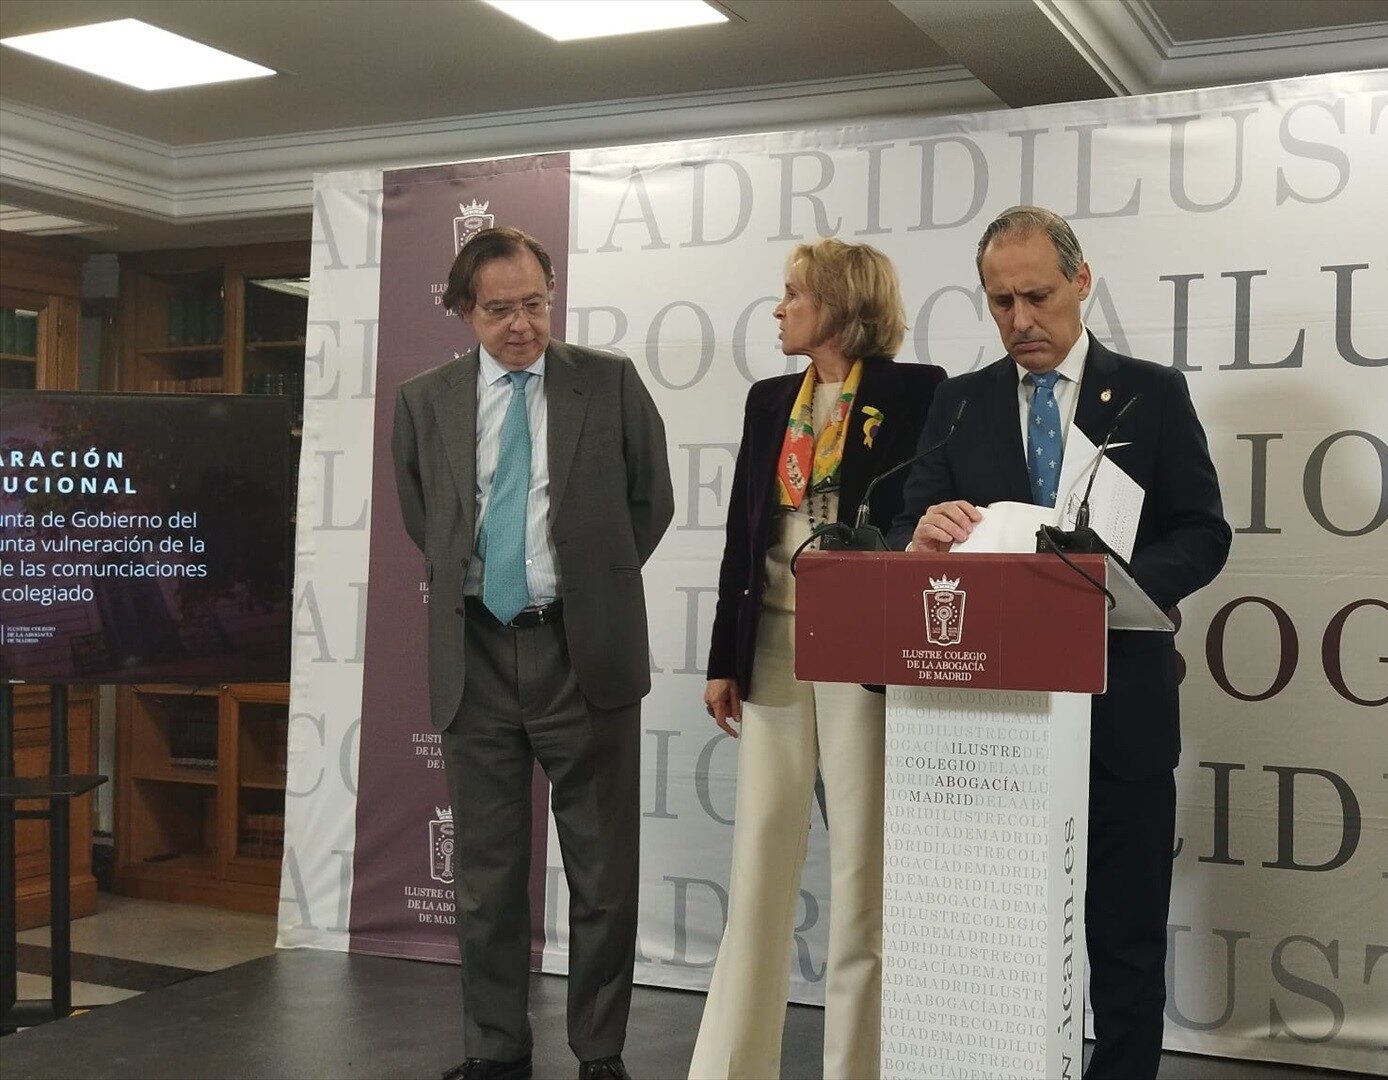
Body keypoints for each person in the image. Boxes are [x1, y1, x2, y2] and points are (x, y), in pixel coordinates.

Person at [889, 205, 1230, 1079]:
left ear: (1082, 282)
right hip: (990, 725)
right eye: (1000, 302)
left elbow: (1203, 532)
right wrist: (920, 536)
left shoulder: (1151, 393)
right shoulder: (959, 404)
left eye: (1037, 297)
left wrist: (1113, 590)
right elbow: (905, 525)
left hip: (1120, 711)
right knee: (998, 945)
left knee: (1124, 946)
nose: (1019, 320)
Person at [391, 226, 673, 1080]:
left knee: (602, 874)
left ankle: (600, 1052)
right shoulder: (424, 399)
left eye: (536, 304)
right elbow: (424, 515)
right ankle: (494, 1048)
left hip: (583, 654)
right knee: (485, 876)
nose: (522, 325)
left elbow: (650, 501)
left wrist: (587, 584)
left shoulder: (609, 383)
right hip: (475, 653)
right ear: (463, 311)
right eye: (500, 310)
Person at [691, 239, 947, 1079]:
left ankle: (857, 1068)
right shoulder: (771, 399)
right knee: (759, 863)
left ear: (838, 306)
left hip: (862, 649)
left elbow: (922, 517)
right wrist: (723, 658)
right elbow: (743, 533)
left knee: (863, 872)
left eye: (795, 295)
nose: (779, 308)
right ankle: (733, 1068)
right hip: (770, 644)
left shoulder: (917, 392)